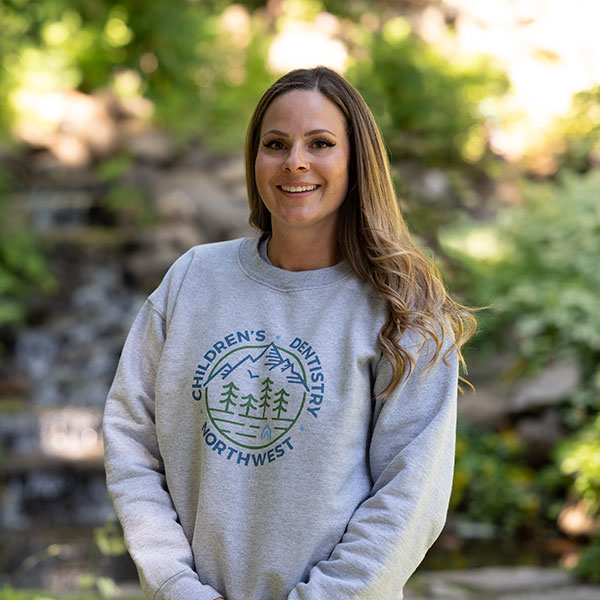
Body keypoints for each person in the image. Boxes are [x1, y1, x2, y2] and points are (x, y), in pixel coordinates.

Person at [103, 65, 475, 600]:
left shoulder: (402, 309)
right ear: (255, 160)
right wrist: (174, 584)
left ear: (357, 162)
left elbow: (410, 497)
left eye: (320, 143)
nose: (295, 161)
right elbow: (131, 439)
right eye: (275, 144)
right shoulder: (193, 279)